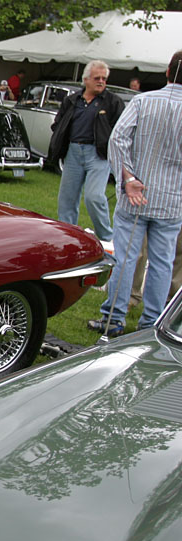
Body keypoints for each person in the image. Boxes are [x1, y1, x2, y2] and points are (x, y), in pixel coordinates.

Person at [88, 50, 182, 336]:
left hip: (136, 195)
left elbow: (117, 139)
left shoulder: (143, 101)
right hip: (172, 199)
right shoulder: (142, 100)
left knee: (126, 258)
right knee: (162, 263)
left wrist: (127, 177)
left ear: (168, 71)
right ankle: (150, 324)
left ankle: (114, 319)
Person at [49, 60, 124, 243]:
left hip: (98, 154)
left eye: (104, 78)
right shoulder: (72, 100)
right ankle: (66, 237)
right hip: (73, 152)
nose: (101, 82)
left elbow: (121, 128)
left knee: (94, 197)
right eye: (96, 78)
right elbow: (59, 123)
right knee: (67, 198)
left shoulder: (112, 102)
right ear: (85, 80)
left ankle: (106, 237)